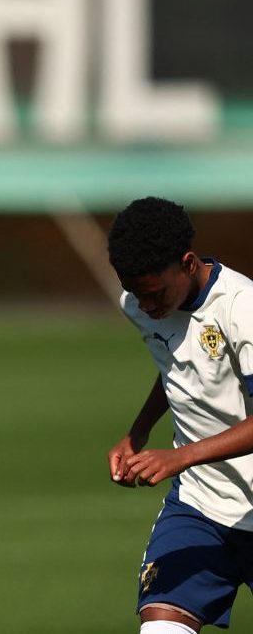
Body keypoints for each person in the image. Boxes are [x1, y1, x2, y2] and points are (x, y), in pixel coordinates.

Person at [107, 197, 253, 634]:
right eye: (136, 293)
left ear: (188, 263)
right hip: (198, 509)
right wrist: (136, 432)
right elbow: (176, 369)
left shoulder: (241, 309)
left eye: (155, 293)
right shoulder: (138, 306)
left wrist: (179, 457)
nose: (146, 305)